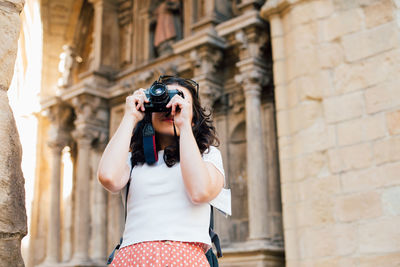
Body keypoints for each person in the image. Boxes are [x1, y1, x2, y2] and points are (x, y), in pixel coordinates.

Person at [97, 76, 231, 266]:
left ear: (194, 116)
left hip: (185, 259)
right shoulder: (133, 161)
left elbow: (200, 191)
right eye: (163, 101)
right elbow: (108, 177)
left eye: (179, 102)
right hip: (132, 259)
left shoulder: (208, 156)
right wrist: (130, 117)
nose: (170, 108)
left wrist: (184, 125)